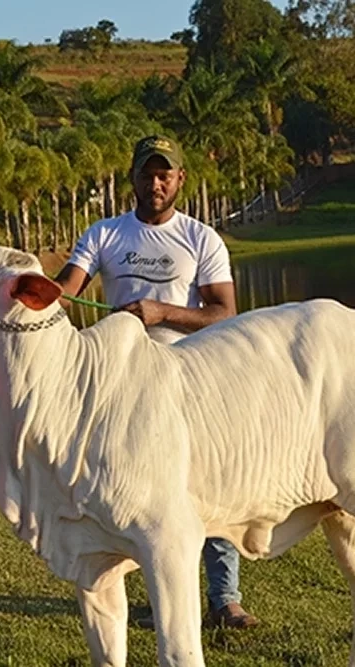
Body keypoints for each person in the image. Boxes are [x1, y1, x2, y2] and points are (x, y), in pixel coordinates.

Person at [54, 135, 260, 630]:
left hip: (193, 379)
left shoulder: (200, 239)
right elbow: (65, 292)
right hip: (121, 385)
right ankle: (152, 596)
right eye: (147, 173)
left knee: (206, 484)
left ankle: (225, 598)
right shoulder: (104, 235)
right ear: (133, 178)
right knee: (128, 491)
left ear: (180, 179)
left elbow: (225, 313)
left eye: (165, 173)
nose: (155, 182)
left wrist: (158, 312)